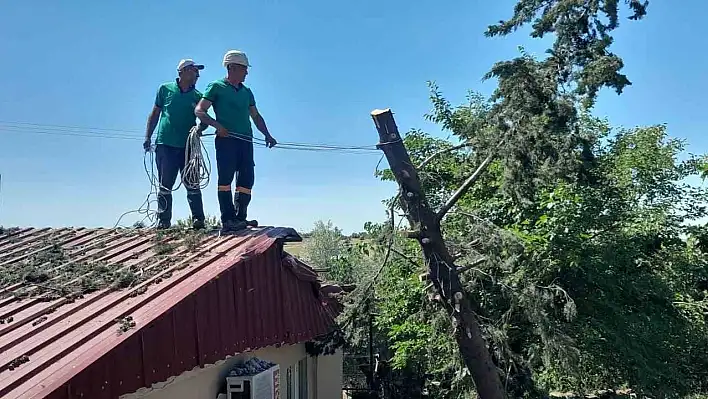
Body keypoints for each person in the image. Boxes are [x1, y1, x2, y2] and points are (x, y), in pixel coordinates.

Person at [195, 50, 277, 232]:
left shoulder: (247, 92)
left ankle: (241, 217)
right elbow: (200, 111)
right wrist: (218, 126)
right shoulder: (216, 86)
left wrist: (267, 134)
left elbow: (255, 116)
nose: (247, 73)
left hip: (245, 140)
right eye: (244, 69)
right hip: (226, 140)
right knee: (226, 178)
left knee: (247, 178)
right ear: (231, 68)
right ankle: (228, 218)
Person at [144, 59, 208, 230]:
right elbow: (155, 113)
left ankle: (198, 219)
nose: (197, 75)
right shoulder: (165, 89)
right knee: (165, 183)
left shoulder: (197, 96)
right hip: (166, 143)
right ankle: (163, 220)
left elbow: (204, 119)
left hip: (188, 146)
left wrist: (200, 128)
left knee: (192, 182)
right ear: (184, 71)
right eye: (195, 71)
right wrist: (147, 137)